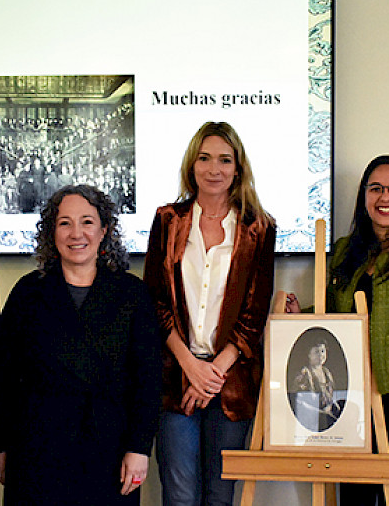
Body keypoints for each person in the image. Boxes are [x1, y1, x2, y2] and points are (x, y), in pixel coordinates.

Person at [287, 155, 389, 506]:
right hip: (350, 400)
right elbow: (335, 315)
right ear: (364, 197)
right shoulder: (347, 249)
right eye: (375, 188)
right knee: (354, 499)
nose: (385, 197)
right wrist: (302, 314)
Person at [0, 185, 161, 505]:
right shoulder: (28, 293)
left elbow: (148, 381)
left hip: (110, 451)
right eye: (64, 223)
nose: (76, 233)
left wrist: (139, 448)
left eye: (87, 221)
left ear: (104, 230)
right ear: (51, 233)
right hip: (37, 452)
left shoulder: (131, 294)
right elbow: (4, 377)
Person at [144, 121, 276, 506]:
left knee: (219, 497)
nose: (214, 169)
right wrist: (191, 367)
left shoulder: (259, 228)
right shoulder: (168, 220)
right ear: (192, 164)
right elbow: (156, 302)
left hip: (230, 382)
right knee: (180, 496)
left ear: (238, 168)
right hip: (176, 378)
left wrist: (213, 373)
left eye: (224, 159)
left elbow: (254, 313)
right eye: (205, 158)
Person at [291, 338, 342, 432]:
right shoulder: (305, 374)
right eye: (316, 352)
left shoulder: (327, 372)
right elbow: (300, 403)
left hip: (328, 414)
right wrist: (321, 414)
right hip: (313, 418)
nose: (320, 355)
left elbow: (330, 395)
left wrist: (334, 404)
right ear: (308, 355)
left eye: (322, 351)